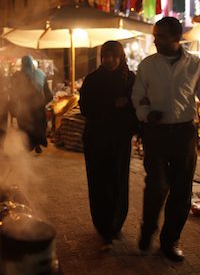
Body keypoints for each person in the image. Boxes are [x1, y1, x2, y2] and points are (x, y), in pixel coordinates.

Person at [132, 17, 200, 262]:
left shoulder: (195, 65)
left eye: (159, 36)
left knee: (181, 191)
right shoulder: (148, 65)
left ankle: (170, 240)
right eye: (154, 35)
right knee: (157, 186)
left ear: (175, 38)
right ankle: (148, 229)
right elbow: (138, 95)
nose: (155, 40)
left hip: (184, 133)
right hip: (157, 133)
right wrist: (146, 114)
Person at [79, 41, 139, 247]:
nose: (110, 60)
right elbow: (84, 107)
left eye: (114, 56)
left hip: (120, 141)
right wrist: (113, 104)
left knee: (118, 181)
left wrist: (128, 109)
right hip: (95, 139)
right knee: (98, 181)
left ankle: (116, 223)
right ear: (101, 57)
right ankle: (102, 224)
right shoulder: (92, 79)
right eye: (106, 56)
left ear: (121, 57)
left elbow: (137, 107)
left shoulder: (130, 79)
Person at [10, 55, 52, 153]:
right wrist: (42, 103)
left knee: (26, 127)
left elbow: (13, 93)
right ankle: (36, 144)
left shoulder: (17, 76)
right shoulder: (40, 74)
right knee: (37, 127)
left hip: (24, 108)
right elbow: (49, 95)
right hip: (38, 108)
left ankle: (28, 146)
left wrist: (14, 106)